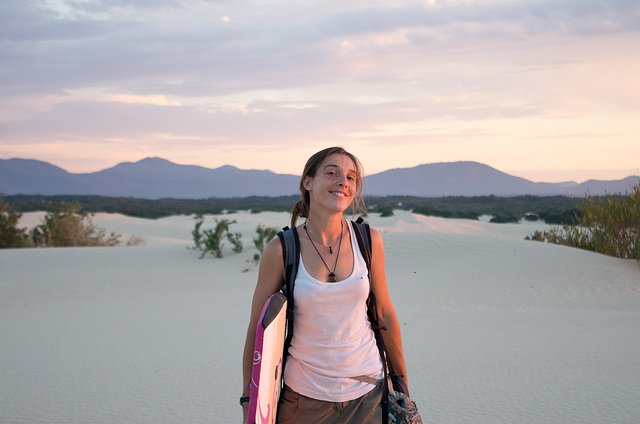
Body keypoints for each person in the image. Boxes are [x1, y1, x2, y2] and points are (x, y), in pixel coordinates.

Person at [242, 147, 408, 423]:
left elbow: (385, 313)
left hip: (368, 390)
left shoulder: (369, 241)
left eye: (351, 177)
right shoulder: (282, 250)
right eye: (331, 173)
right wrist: (249, 399)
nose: (343, 181)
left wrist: (401, 383)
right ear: (307, 182)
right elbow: (257, 331)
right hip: (304, 400)